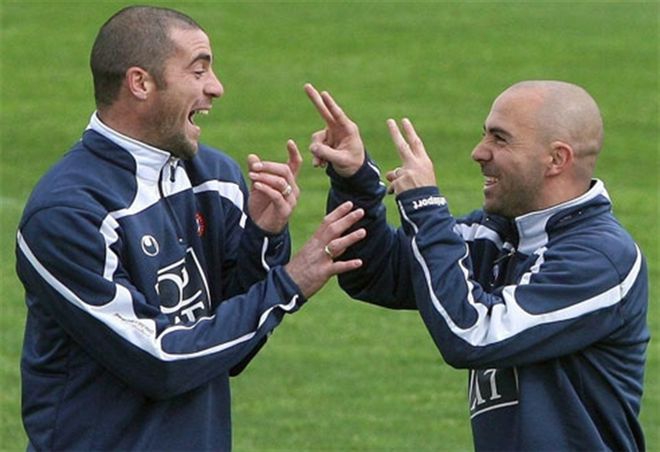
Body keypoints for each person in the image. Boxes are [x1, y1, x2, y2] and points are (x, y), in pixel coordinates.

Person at [15, 6, 366, 451]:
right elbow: (158, 361)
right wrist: (289, 284)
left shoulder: (215, 179)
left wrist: (263, 236)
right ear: (140, 83)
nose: (216, 87)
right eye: (198, 71)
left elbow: (230, 350)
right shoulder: (68, 213)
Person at [304, 81, 649, 450]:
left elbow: (474, 336)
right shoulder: (494, 235)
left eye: (500, 139)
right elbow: (374, 272)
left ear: (556, 159)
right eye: (484, 134)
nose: (478, 152)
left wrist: (425, 208)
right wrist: (355, 179)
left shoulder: (600, 258)